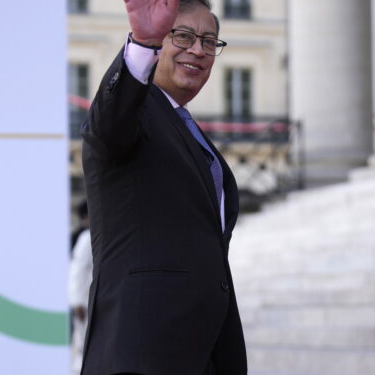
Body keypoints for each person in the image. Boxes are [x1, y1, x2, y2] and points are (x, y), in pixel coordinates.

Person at [80, 0, 247, 374]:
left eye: (209, 41)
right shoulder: (134, 112)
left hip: (201, 352)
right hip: (142, 351)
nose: (198, 51)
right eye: (183, 36)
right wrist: (143, 43)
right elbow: (108, 128)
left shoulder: (187, 129)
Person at [68, 225, 93, 374]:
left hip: (97, 301)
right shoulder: (86, 238)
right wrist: (77, 302)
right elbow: (76, 271)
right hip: (84, 303)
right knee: (83, 348)